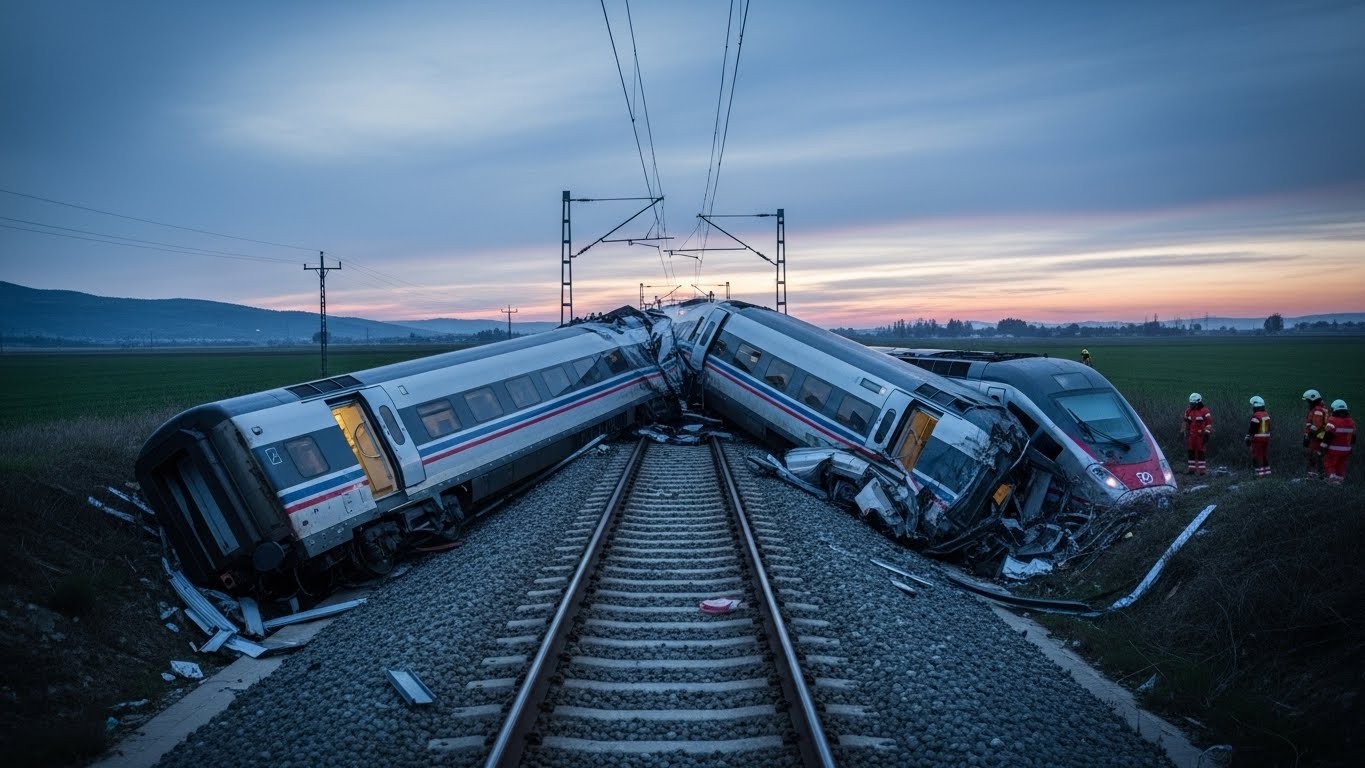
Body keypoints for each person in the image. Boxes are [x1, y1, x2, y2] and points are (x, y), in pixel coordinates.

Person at [1320, 399, 1356, 485]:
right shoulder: (1351, 422)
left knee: (1329, 464)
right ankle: (1340, 480)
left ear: (1334, 410)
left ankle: (1332, 480)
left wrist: (1323, 447)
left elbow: (1328, 436)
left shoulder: (1332, 421)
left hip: (1333, 449)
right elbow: (1353, 438)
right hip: (1346, 450)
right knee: (1341, 465)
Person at [1302, 389, 1331, 477]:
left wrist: (1307, 435)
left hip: (1316, 438)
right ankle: (1319, 476)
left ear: (1312, 400)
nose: (1308, 403)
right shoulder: (1323, 409)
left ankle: (1313, 477)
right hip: (1321, 437)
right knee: (1318, 457)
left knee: (1314, 457)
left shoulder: (1317, 411)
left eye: (1308, 401)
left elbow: (1316, 427)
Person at [1183, 392, 1213, 475]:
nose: (1191, 405)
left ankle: (1202, 471)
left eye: (1193, 404)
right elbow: (1186, 423)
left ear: (1198, 402)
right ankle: (1191, 470)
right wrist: (1184, 432)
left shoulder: (1205, 411)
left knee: (1201, 452)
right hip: (1191, 436)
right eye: (1191, 403)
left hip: (1200, 436)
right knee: (1190, 452)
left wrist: (1207, 434)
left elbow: (1209, 423)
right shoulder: (1188, 411)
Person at [1246, 395, 1271, 477]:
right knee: (1264, 456)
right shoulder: (1266, 414)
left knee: (1257, 457)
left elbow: (1253, 429)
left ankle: (1259, 475)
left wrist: (1248, 437)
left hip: (1257, 440)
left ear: (1255, 405)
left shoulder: (1256, 416)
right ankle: (1267, 473)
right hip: (1266, 439)